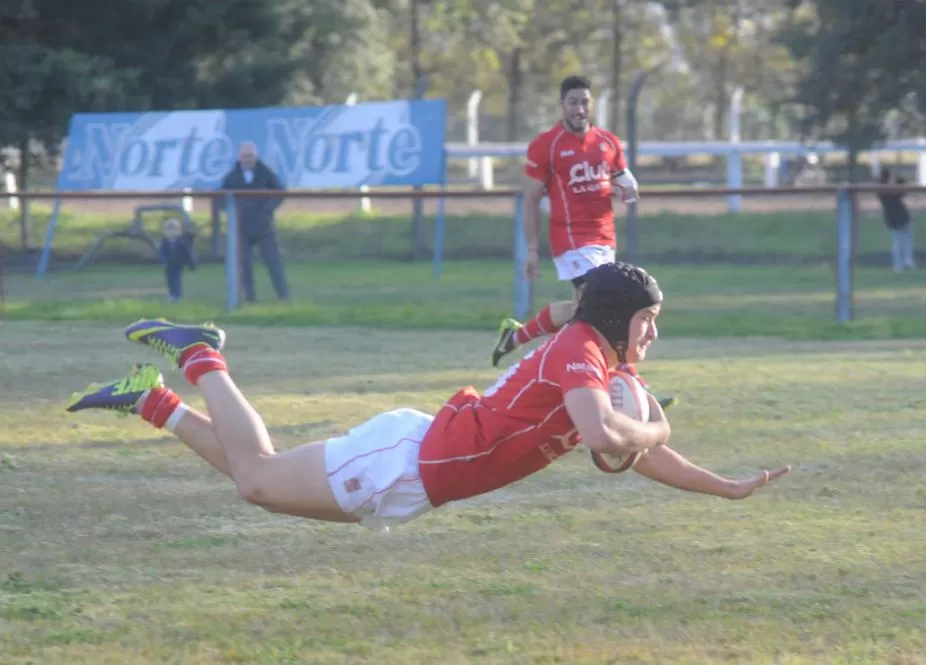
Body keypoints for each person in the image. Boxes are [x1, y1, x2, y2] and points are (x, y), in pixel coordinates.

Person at [65, 262, 790, 531]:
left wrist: (724, 488)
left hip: (419, 473)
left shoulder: (601, 366)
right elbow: (611, 440)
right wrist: (654, 432)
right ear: (615, 318)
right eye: (648, 321)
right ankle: (199, 352)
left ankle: (151, 400)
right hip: (409, 458)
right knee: (258, 477)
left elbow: (630, 448)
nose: (654, 334)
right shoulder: (579, 352)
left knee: (261, 480)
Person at [490, 75, 640, 370]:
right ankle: (628, 380)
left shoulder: (609, 142)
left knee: (581, 312)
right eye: (573, 102)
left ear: (592, 104)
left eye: (584, 102)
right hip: (571, 240)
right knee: (603, 308)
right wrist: (532, 250)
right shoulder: (546, 146)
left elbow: (625, 183)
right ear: (562, 106)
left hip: (604, 239)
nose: (579, 109)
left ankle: (516, 338)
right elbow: (531, 200)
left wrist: (629, 190)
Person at [219, 142, 290, 301]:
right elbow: (221, 199)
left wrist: (268, 208)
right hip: (242, 227)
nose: (247, 159)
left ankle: (283, 295)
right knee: (244, 264)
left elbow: (280, 192)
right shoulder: (232, 177)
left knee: (273, 262)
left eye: (250, 156)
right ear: (239, 157)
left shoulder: (265, 173)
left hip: (264, 226)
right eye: (244, 156)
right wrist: (233, 213)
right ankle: (250, 297)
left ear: (256, 156)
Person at [875, 168, 915, 273]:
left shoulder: (896, 185)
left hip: (902, 215)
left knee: (907, 238)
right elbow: (891, 190)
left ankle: (907, 260)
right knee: (897, 241)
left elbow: (904, 189)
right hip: (893, 217)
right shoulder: (882, 190)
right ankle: (898, 265)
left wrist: (896, 178)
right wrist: (892, 180)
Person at [158, 217, 198, 303]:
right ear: (165, 232)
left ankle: (177, 295)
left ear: (178, 231)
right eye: (169, 230)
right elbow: (162, 253)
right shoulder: (165, 242)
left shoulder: (181, 242)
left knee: (176, 279)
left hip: (178, 264)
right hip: (168, 264)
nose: (171, 232)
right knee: (170, 280)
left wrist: (192, 264)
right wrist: (162, 261)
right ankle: (172, 294)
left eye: (174, 230)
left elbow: (187, 253)